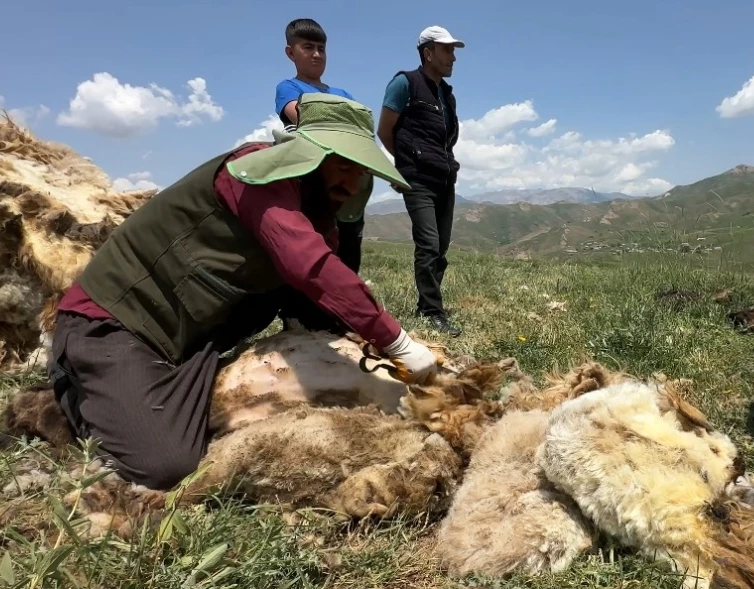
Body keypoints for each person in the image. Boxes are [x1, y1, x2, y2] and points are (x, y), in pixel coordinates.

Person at [47, 93, 440, 491]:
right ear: (310, 157)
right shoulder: (255, 177)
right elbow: (309, 265)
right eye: (342, 166)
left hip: (188, 343)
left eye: (359, 172)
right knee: (165, 464)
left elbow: (321, 290)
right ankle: (75, 389)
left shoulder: (316, 209)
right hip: (113, 325)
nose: (351, 184)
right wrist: (396, 342)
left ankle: (162, 390)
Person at [377, 25, 465, 337]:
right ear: (428, 53)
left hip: (444, 178)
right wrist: (405, 163)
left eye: (453, 50)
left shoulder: (447, 94)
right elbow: (384, 130)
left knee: (440, 248)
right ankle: (432, 312)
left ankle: (426, 303)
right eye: (447, 50)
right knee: (428, 245)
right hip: (417, 180)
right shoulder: (405, 83)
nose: (453, 57)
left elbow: (446, 138)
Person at [274, 18, 370, 274]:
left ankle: (346, 292)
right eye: (308, 47)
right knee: (313, 242)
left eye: (321, 48)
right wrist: (345, 123)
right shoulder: (289, 87)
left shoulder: (343, 93)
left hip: (348, 177)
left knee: (349, 242)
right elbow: (302, 117)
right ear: (290, 53)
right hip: (312, 179)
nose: (317, 54)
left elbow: (363, 128)